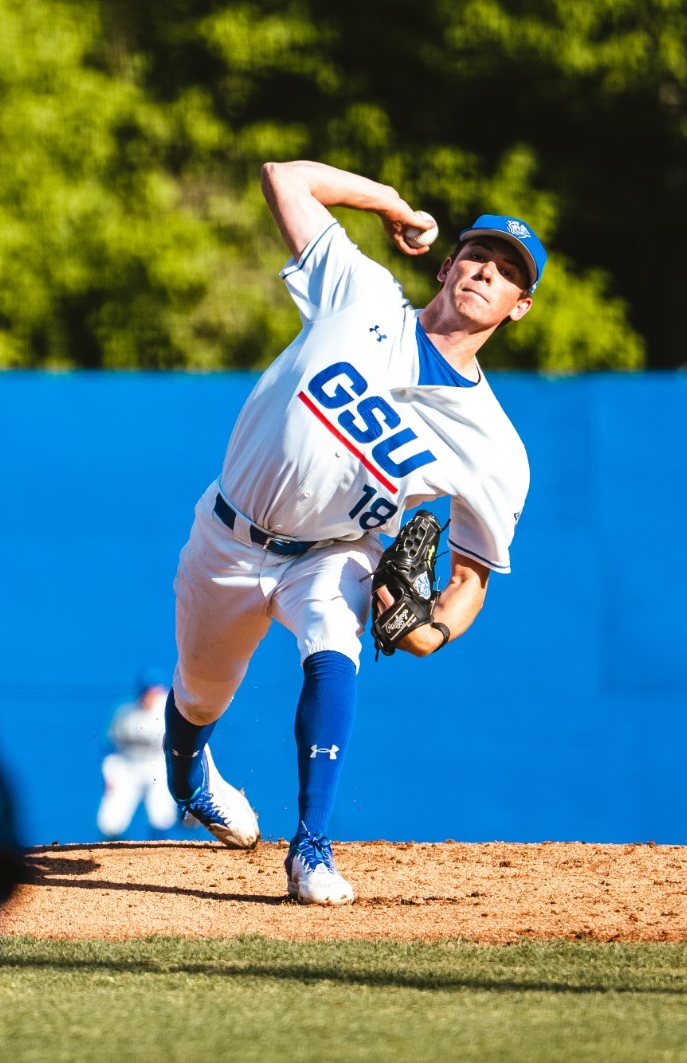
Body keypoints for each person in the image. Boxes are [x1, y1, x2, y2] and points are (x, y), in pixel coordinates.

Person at [164, 160, 539, 906]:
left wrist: (431, 629)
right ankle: (189, 772)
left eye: (505, 273)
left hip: (336, 551)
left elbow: (470, 578)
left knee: (335, 648)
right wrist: (391, 203)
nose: (483, 272)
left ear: (518, 307)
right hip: (230, 538)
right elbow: (281, 178)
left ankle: (311, 848)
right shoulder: (362, 292)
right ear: (446, 264)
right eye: (476, 254)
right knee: (202, 696)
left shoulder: (495, 446)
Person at [96, 670, 178, 839]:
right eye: (148, 691)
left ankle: (160, 858)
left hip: (158, 765)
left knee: (161, 815)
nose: (151, 695)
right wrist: (110, 773)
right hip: (128, 765)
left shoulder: (170, 712)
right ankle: (112, 859)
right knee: (110, 822)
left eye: (155, 690)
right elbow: (109, 747)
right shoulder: (125, 712)